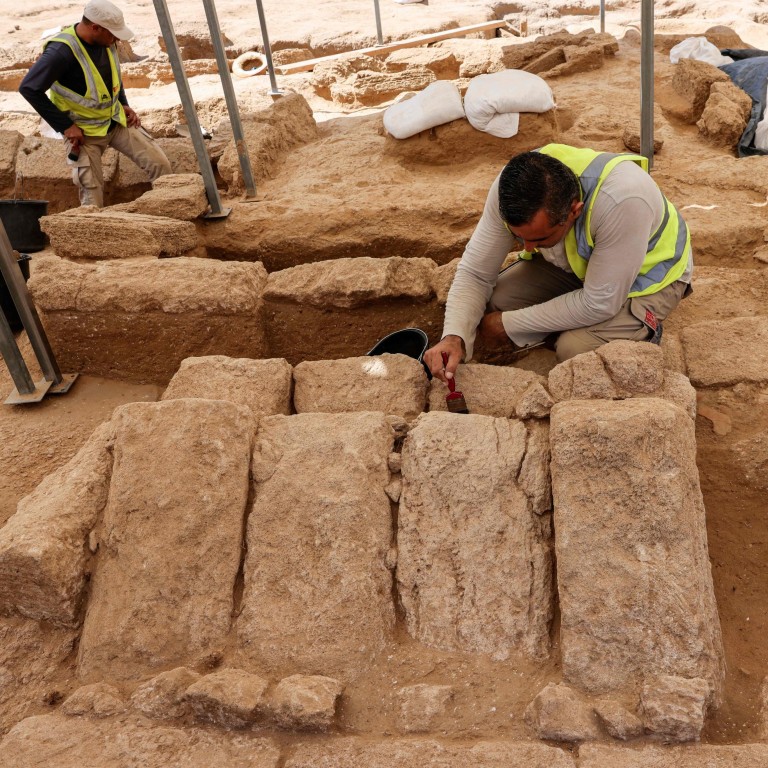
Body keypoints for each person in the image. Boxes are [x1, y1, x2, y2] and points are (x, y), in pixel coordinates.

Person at [423, 143, 693, 383]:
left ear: (573, 212)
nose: (527, 248)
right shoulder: (512, 188)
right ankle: (566, 321)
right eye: (519, 238)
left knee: (573, 348)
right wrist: (454, 337)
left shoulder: (623, 200)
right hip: (583, 267)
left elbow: (599, 302)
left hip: (648, 278)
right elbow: (475, 273)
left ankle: (643, 328)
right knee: (496, 301)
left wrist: (509, 324)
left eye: (539, 238)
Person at [19, 0, 171, 208]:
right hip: (83, 133)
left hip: (114, 121)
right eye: (112, 33)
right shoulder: (61, 52)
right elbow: (28, 88)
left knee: (159, 164)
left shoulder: (107, 42)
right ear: (95, 27)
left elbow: (112, 77)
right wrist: (65, 126)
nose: (116, 38)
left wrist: (123, 104)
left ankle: (169, 218)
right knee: (92, 197)